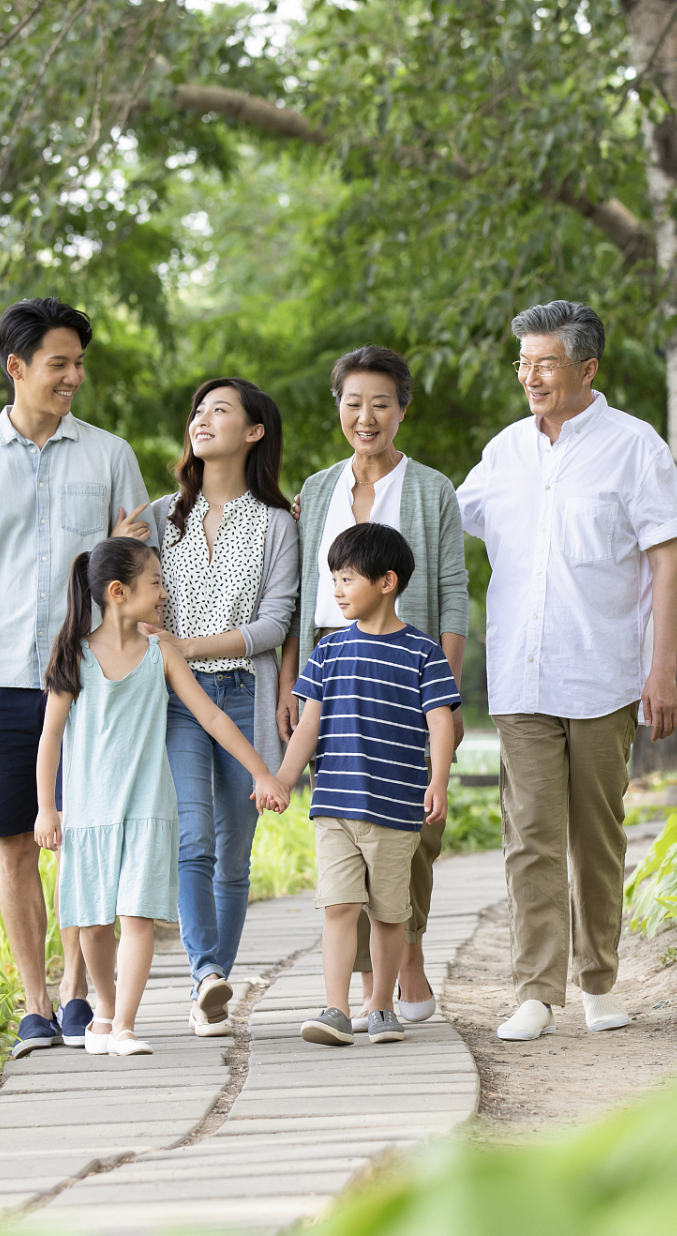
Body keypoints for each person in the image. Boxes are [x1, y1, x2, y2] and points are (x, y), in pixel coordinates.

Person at [456, 299, 677, 1043]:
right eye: (523, 363)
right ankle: (534, 990)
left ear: (587, 368)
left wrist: (663, 671)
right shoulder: (504, 453)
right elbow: (435, 518)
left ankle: (597, 982)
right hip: (522, 677)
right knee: (529, 834)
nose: (530, 376)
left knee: (597, 834)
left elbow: (666, 559)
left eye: (545, 363)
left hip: (603, 675)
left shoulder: (635, 446)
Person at [0, 297, 152, 1059]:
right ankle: (34, 1005)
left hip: (90, 678)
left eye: (79, 364)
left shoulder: (110, 454)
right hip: (0, 678)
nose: (73, 377)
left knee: (88, 838)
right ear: (16, 368)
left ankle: (79, 994)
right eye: (59, 364)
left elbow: (136, 565)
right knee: (15, 843)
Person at [31, 537, 290, 1056]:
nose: (165, 592)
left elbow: (212, 717)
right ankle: (104, 1011)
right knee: (94, 925)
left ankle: (125, 1024)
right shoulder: (73, 657)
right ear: (118, 592)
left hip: (148, 810)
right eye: (156, 583)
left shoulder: (161, 654)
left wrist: (263, 773)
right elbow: (50, 738)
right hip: (90, 814)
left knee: (136, 918)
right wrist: (46, 807)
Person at [277, 346, 468, 1030]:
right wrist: (290, 681)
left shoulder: (430, 489)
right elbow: (304, 590)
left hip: (405, 663)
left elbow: (450, 594)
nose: (366, 417)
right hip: (332, 663)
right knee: (344, 824)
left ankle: (401, 960)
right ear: (338, 409)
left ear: (402, 410)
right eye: (353, 403)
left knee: (407, 827)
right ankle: (363, 991)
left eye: (381, 404)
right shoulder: (318, 486)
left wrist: (442, 687)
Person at [141, 378, 298, 1037]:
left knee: (236, 850)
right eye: (198, 411)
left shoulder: (278, 523)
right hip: (177, 700)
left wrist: (190, 643)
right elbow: (129, 601)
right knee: (193, 837)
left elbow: (276, 622)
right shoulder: (157, 518)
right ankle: (207, 973)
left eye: (220, 410)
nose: (202, 420)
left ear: (253, 431)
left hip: (243, 692)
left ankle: (215, 993)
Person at [276, 523, 461, 1047]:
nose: (336, 589)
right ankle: (335, 1008)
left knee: (387, 913)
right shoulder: (328, 651)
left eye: (347, 578)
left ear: (386, 582)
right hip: (334, 804)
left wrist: (438, 783)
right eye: (333, 578)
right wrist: (286, 780)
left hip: (395, 808)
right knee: (338, 907)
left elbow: (440, 722)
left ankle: (381, 1006)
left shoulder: (422, 652)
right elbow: (308, 725)